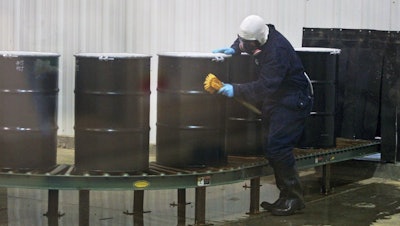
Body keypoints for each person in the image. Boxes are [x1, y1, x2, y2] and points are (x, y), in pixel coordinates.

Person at [213, 15, 313, 216]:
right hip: (279, 98)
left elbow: (265, 87)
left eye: (244, 44)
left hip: (293, 100)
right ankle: (286, 197)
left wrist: (236, 89)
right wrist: (234, 47)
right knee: (271, 146)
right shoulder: (258, 36)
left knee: (278, 147)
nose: (242, 45)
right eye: (240, 40)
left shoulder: (277, 52)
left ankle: (293, 198)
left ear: (258, 42)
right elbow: (244, 41)